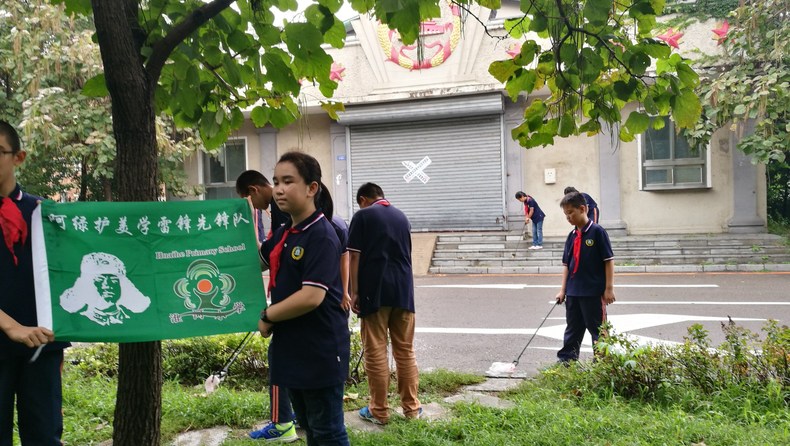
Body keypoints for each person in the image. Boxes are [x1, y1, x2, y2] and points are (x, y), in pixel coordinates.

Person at [257, 152, 350, 445]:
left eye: (288, 181)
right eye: (275, 182)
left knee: (328, 432)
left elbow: (311, 296)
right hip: (293, 349)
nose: (279, 189)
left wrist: (267, 315)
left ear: (312, 188)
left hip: (319, 351)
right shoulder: (287, 232)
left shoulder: (321, 234)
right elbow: (253, 261)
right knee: (311, 429)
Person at [0, 120, 69, 445]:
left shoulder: (45, 213)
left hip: (41, 347)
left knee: (43, 436)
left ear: (19, 157)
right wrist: (11, 325)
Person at [349, 182, 421, 425]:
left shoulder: (363, 216)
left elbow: (354, 255)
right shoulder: (402, 217)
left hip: (374, 291)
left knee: (376, 350)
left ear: (363, 199)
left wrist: (354, 291)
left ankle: (379, 411)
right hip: (403, 291)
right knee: (405, 350)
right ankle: (412, 409)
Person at [554, 191, 616, 363]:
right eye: (565, 214)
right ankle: (567, 360)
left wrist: (608, 289)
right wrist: (563, 290)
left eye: (570, 213)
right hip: (574, 292)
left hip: (593, 292)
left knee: (598, 329)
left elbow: (608, 261)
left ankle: (603, 362)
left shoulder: (597, 232)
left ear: (582, 209)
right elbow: (567, 264)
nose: (568, 217)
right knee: (573, 328)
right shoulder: (572, 236)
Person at [236, 170, 290, 241]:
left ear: (253, 190)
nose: (253, 206)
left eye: (248, 201)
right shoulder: (276, 201)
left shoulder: (280, 201)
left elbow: (287, 241)